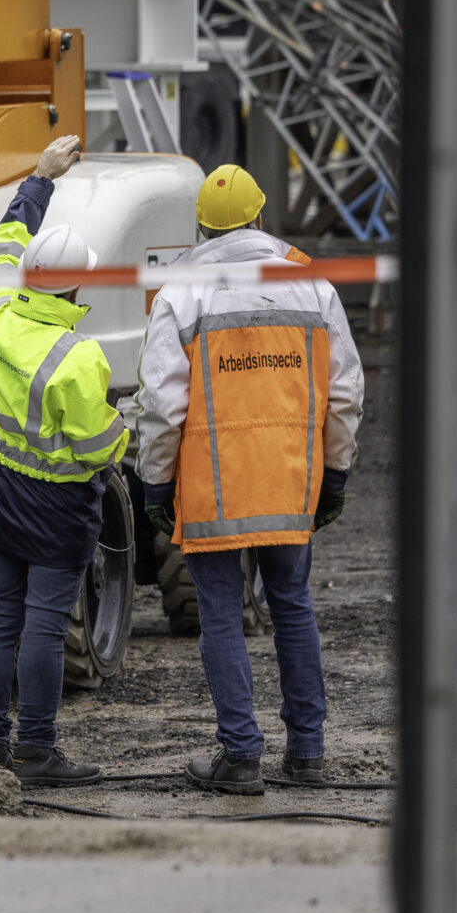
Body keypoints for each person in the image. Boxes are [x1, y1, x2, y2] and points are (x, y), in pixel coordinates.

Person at [135, 164, 362, 795]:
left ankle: (241, 757)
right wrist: (335, 472)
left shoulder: (183, 291)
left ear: (201, 227)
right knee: (292, 606)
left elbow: (160, 404)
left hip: (215, 488)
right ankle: (308, 753)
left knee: (221, 616)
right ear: (262, 219)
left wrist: (155, 484)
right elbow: (345, 392)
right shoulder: (311, 283)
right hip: (291, 482)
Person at [0, 134, 130, 787]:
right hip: (55, 508)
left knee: (0, 614)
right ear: (77, 283)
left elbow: (5, 239)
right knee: (44, 625)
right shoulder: (78, 357)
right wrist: (121, 429)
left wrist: (40, 177)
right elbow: (94, 448)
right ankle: (35, 752)